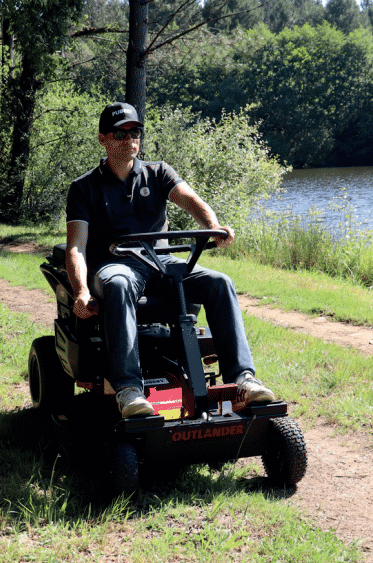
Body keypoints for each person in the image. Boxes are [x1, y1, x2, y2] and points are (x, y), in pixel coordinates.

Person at [65, 101, 275, 418]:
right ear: (103, 139)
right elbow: (76, 247)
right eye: (120, 133)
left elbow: (190, 199)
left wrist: (212, 226)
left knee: (220, 283)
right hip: (117, 266)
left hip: (161, 264)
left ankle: (242, 380)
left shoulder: (158, 172)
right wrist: (81, 292)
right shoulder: (84, 188)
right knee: (118, 283)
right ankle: (129, 390)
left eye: (134, 131)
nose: (129, 139)